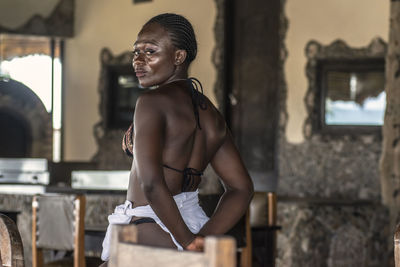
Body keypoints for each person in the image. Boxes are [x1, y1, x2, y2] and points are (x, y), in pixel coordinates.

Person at [100, 13, 254, 263]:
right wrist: (202, 238)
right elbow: (242, 188)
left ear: (179, 57)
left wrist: (187, 241)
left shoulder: (151, 103)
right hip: (194, 222)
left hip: (149, 230)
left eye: (150, 52)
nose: (138, 61)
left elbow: (151, 184)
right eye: (136, 52)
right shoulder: (212, 115)